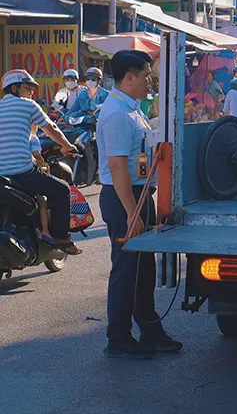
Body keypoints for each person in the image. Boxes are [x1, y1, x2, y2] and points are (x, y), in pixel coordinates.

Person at [98, 50, 181, 359]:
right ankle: (118, 338)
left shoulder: (131, 108)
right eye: (146, 76)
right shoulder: (117, 114)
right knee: (126, 270)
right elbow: (117, 167)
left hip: (138, 195)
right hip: (124, 199)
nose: (150, 81)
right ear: (129, 78)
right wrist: (133, 213)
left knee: (143, 270)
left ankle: (151, 331)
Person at [0, 69, 80, 255]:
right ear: (14, 88)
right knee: (62, 189)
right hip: (21, 172)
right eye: (27, 88)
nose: (31, 92)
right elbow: (50, 128)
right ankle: (61, 237)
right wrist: (67, 146)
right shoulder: (28, 105)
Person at [28, 126, 53, 242]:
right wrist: (44, 163)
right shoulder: (32, 138)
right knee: (42, 201)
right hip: (28, 174)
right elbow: (36, 154)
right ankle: (45, 231)